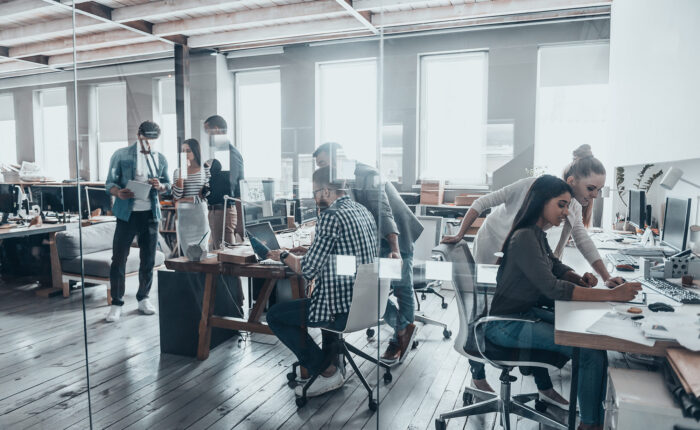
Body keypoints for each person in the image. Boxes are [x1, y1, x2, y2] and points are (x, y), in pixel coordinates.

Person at [442, 144, 625, 397]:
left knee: (531, 305)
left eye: (599, 190)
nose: (594, 195)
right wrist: (460, 234)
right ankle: (478, 376)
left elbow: (579, 241)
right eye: (591, 188)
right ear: (572, 181)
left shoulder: (559, 214)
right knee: (481, 308)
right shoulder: (534, 194)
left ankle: (543, 384)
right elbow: (483, 202)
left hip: (524, 254)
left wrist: (604, 277)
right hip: (493, 244)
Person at [484, 175, 641, 430]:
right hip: (506, 324)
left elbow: (555, 266)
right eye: (561, 204)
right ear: (541, 201)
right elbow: (552, 288)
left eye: (567, 205)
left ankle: (593, 421)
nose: (566, 212)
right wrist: (613, 295)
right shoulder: (524, 237)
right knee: (588, 350)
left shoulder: (536, 234)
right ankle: (589, 425)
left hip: (524, 314)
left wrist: (578, 277)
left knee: (593, 340)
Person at [266, 166, 377, 398]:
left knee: (275, 316)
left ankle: (326, 370)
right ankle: (330, 364)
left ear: (326, 191)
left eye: (315, 192)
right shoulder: (362, 210)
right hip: (366, 304)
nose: (315, 198)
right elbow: (348, 253)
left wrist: (284, 255)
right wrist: (311, 250)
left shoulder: (331, 216)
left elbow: (306, 270)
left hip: (341, 310)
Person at [313, 142, 424, 364]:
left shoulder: (367, 174)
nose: (322, 169)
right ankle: (404, 329)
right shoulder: (338, 180)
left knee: (401, 287)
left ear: (337, 158)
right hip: (374, 238)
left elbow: (384, 212)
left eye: (323, 163)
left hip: (396, 235)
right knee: (367, 288)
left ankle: (399, 339)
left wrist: (395, 249)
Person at [105, 120, 170, 323]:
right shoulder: (120, 154)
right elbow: (109, 183)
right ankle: (116, 303)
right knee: (119, 258)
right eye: (145, 140)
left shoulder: (160, 158)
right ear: (138, 136)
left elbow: (167, 184)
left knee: (148, 259)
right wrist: (118, 192)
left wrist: (160, 186)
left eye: (152, 141)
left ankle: (143, 298)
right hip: (127, 214)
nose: (148, 144)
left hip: (150, 214)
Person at [204, 115, 244, 246]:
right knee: (219, 251)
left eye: (207, 132)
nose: (207, 137)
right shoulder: (219, 154)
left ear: (216, 130)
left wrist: (241, 223)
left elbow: (237, 188)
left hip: (224, 211)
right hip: (216, 211)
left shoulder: (231, 153)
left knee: (226, 254)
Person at [172, 138, 211, 256]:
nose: (185, 154)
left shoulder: (206, 170)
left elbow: (207, 194)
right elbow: (177, 195)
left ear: (195, 151)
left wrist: (186, 199)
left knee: (201, 252)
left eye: (188, 151)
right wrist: (182, 173)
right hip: (184, 216)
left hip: (200, 214)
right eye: (183, 151)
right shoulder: (178, 171)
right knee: (188, 253)